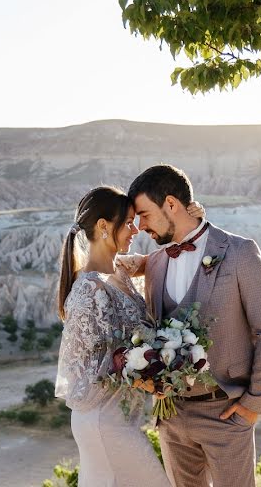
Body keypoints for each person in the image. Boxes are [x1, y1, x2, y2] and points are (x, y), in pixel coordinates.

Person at [128, 165, 261, 487]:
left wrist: (253, 405)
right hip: (170, 415)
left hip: (226, 413)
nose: (139, 226)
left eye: (144, 215)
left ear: (171, 204)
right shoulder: (153, 264)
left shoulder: (239, 252)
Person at [53, 184, 202, 486]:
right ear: (104, 226)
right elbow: (98, 364)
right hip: (102, 420)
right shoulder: (88, 289)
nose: (135, 230)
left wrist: (192, 223)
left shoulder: (119, 271)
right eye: (128, 222)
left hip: (120, 417)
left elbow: (163, 258)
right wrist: (153, 377)